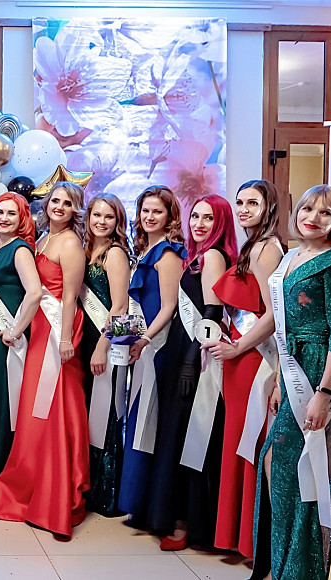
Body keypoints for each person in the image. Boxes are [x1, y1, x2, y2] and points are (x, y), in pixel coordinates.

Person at [253, 185, 331, 580]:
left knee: (298, 464)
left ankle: (302, 565)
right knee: (282, 462)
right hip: (292, 365)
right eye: (307, 208)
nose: (313, 217)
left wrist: (324, 394)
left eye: (325, 213)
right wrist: (280, 381)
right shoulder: (291, 257)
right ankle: (282, 561)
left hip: (317, 369)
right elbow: (282, 323)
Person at [0, 184, 91, 536]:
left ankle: (57, 495)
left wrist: (65, 339)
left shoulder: (71, 244)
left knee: (55, 409)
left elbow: (70, 297)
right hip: (38, 331)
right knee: (35, 411)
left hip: (58, 331)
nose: (59, 207)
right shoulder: (44, 239)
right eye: (55, 201)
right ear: (46, 205)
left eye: (67, 203)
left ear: (75, 209)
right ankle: (31, 487)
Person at [202, 180, 283, 558]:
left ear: (269, 207)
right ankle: (238, 537)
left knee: (249, 440)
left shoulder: (267, 248)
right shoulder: (253, 245)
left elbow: (273, 315)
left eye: (253, 202)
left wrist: (238, 347)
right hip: (239, 356)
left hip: (253, 359)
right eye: (240, 202)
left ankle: (253, 540)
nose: (244, 209)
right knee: (237, 441)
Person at [157, 194, 237, 550]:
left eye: (208, 218)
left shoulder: (213, 256)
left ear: (221, 223)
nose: (199, 224)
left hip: (196, 353)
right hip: (183, 347)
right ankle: (182, 519)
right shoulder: (196, 255)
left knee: (191, 435)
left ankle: (189, 524)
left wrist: (191, 359)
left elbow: (211, 313)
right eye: (195, 217)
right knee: (180, 433)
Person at [118, 186, 190, 546]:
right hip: (144, 345)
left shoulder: (168, 254)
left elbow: (169, 307)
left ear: (169, 217)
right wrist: (120, 339)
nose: (149, 217)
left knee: (155, 423)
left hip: (162, 348)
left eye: (157, 212)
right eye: (145, 211)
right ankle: (141, 504)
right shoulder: (144, 251)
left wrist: (144, 339)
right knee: (139, 420)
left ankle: (158, 509)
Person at [0, 192, 43, 496]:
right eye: (0, 212)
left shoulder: (20, 249)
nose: (4, 218)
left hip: (7, 334)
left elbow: (34, 292)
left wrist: (16, 330)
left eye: (11, 214)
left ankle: (2, 478)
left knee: (5, 402)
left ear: (22, 219)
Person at [77, 193, 133, 517]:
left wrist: (103, 345)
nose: (101, 221)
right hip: (85, 341)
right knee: (89, 413)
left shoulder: (115, 253)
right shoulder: (86, 250)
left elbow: (120, 306)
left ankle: (108, 493)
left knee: (106, 414)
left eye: (108, 217)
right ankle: (90, 485)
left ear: (117, 222)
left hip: (106, 342)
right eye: (96, 215)